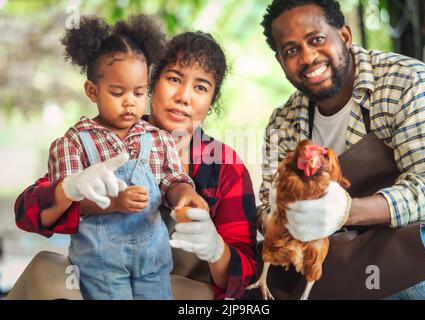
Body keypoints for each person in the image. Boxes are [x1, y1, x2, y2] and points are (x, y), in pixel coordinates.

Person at [12, 31, 258, 300]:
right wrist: (69, 190)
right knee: (46, 267)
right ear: (151, 83)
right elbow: (28, 213)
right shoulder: (102, 140)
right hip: (105, 282)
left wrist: (215, 248)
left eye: (201, 87)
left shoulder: (225, 167)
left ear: (211, 101)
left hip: (174, 293)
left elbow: (244, 278)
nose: (184, 97)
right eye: (174, 79)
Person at [256, 0, 425, 299]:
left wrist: (344, 212)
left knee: (422, 262)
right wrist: (280, 218)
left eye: (316, 40)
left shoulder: (406, 82)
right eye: (291, 50)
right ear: (281, 62)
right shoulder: (283, 122)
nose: (307, 57)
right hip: (336, 256)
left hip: (407, 246)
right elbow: (267, 206)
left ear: (344, 36)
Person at [49, 14, 211, 300]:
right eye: (117, 92)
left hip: (153, 260)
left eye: (138, 92)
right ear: (92, 91)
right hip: (101, 266)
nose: (130, 102)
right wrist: (114, 203)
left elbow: (172, 179)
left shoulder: (157, 138)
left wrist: (185, 194)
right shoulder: (74, 142)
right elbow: (68, 203)